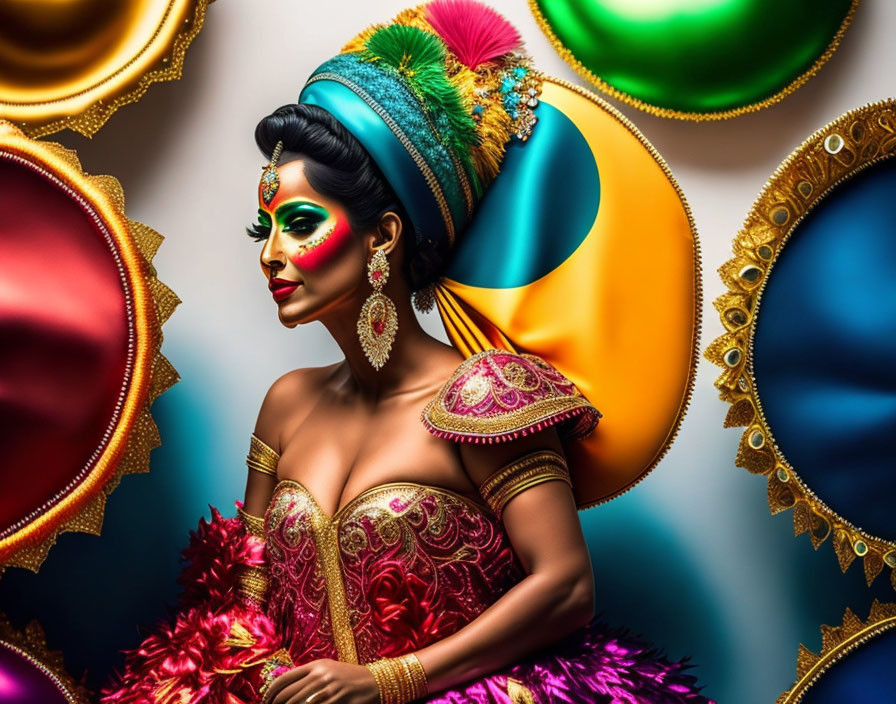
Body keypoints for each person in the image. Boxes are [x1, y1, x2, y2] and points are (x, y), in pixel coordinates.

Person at [101, 2, 713, 703]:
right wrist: (259, 669)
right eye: (261, 227)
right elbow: (249, 595)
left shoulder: (488, 396)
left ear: (383, 236)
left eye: (300, 224)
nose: (272, 254)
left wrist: (391, 681)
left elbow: (567, 586)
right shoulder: (286, 406)